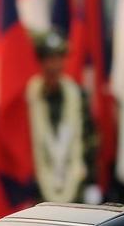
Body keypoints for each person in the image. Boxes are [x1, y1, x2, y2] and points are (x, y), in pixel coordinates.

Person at [27, 29, 99, 204]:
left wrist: (91, 182)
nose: (55, 65)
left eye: (59, 58)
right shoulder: (29, 97)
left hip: (75, 185)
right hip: (36, 190)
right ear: (40, 61)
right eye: (49, 59)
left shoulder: (76, 95)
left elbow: (89, 140)